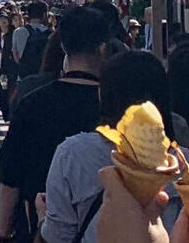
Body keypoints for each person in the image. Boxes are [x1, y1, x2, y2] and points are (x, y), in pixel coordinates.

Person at [0, 5, 111, 243]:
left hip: (39, 228)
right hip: (108, 227)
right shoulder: (115, 107)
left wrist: (4, 234)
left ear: (63, 46)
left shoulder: (33, 103)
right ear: (103, 47)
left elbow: (10, 180)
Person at [40, 50, 181, 243]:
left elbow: (58, 236)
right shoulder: (184, 164)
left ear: (102, 94)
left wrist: (42, 217)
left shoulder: (72, 155)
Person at [14, 1, 53, 78]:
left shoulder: (18, 32)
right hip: (45, 78)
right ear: (44, 15)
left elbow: (16, 57)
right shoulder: (51, 34)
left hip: (24, 77)